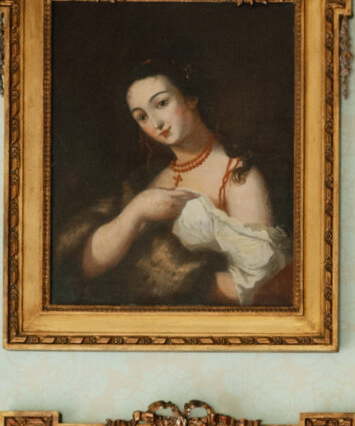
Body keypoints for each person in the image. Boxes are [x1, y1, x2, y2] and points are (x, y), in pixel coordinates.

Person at [53, 55, 290, 308]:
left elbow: (260, 281)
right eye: (142, 117)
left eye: (162, 103)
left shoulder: (238, 176)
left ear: (190, 98)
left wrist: (175, 282)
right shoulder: (150, 179)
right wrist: (136, 210)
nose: (156, 123)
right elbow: (86, 266)